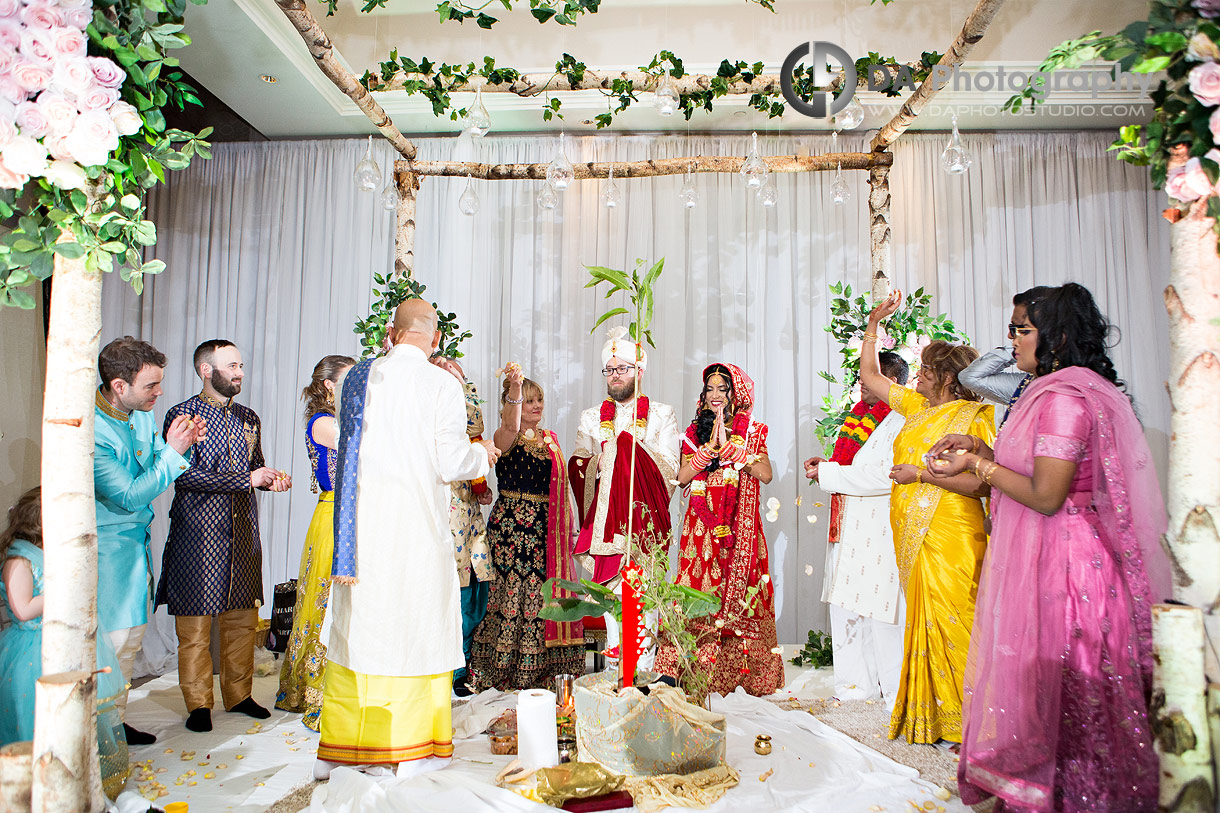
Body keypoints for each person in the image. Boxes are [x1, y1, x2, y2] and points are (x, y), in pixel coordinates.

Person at [928, 283, 1170, 810]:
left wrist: (978, 465)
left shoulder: (1063, 399)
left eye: (1021, 330)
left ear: (1056, 336)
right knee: (1042, 684)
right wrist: (979, 447)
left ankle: (1077, 795)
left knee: (1065, 684)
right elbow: (1031, 471)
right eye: (1011, 329)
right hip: (1051, 554)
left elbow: (1045, 493)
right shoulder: (1050, 388)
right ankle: (1045, 785)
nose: (1011, 340)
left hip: (1070, 566)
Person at [315, 299, 498, 780]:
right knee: (414, 627)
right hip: (416, 528)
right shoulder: (442, 384)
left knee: (366, 628)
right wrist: (484, 455)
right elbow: (452, 462)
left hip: (362, 532)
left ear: (392, 334)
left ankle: (346, 745)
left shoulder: (357, 379)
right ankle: (408, 746)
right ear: (435, 338)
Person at [858, 291, 994, 745]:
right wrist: (873, 326)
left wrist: (920, 475)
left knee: (958, 615)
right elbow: (871, 377)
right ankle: (935, 717)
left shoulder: (976, 415)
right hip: (912, 531)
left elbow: (981, 483)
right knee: (924, 617)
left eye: (927, 371)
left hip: (953, 529)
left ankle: (973, 720)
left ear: (948, 378)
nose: (918, 376)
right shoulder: (917, 409)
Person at [158, 339, 291, 733]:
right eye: (231, 366)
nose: (240, 373)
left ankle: (239, 695)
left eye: (241, 366)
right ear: (205, 370)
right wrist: (245, 480)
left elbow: (255, 468)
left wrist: (268, 479)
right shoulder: (182, 416)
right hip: (198, 535)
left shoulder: (248, 418)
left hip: (242, 533)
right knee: (195, 628)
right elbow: (182, 474)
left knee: (241, 621)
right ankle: (199, 704)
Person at [94, 336, 205, 745]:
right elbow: (128, 495)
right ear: (119, 386)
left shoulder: (137, 413)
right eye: (151, 386)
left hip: (137, 548)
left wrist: (184, 444)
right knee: (111, 644)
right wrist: (173, 452)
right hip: (106, 553)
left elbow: (162, 462)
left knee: (132, 640)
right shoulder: (93, 430)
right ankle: (98, 733)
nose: (159, 393)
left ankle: (114, 723)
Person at [654, 363, 783, 696]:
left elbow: (766, 474)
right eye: (709, 389)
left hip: (740, 528)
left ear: (735, 394)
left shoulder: (754, 431)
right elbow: (681, 478)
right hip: (700, 529)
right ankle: (681, 672)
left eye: (722, 389)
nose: (715, 396)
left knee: (741, 598)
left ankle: (747, 676)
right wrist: (706, 453)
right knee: (695, 593)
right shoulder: (692, 432)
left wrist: (732, 452)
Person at [0, 488, 130, 797]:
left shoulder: (47, 553)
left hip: (61, 640)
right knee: (34, 717)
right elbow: (22, 608)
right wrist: (65, 586)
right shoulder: (19, 559)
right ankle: (38, 785)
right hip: (32, 651)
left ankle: (78, 776)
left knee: (75, 715)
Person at [470, 368, 585, 691]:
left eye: (539, 400)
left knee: (540, 594)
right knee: (511, 593)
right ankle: (503, 668)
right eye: (528, 401)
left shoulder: (551, 439)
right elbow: (510, 423)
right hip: (511, 526)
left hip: (545, 528)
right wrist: (516, 388)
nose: (535, 406)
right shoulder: (505, 437)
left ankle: (545, 672)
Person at [807, 351, 909, 706]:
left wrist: (829, 474)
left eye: (871, 375)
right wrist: (828, 466)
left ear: (892, 383)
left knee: (882, 611)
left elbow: (886, 475)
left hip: (878, 527)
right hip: (849, 524)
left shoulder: (901, 421)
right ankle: (853, 689)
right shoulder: (859, 418)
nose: (862, 381)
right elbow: (852, 465)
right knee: (846, 605)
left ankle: (894, 693)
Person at [571, 327, 680, 657]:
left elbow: (671, 470)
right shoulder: (591, 419)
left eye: (622, 369)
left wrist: (628, 452)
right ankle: (614, 687)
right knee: (611, 613)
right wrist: (601, 463)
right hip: (604, 532)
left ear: (640, 371)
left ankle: (643, 684)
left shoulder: (661, 414)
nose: (615, 375)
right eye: (610, 369)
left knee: (643, 608)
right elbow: (577, 466)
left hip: (644, 529)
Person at [276, 354, 355, 730]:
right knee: (325, 600)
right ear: (329, 386)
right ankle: (315, 690)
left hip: (349, 515)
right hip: (333, 517)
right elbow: (359, 452)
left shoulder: (343, 419)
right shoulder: (324, 421)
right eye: (348, 380)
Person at [430, 355, 496, 697]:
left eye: (457, 368)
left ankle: (463, 664)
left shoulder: (456, 397)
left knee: (477, 593)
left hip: (469, 514)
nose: (452, 369)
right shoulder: (434, 399)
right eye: (444, 365)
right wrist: (460, 385)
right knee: (456, 592)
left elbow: (475, 432)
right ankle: (452, 670)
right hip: (446, 512)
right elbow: (471, 426)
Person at [958, 286, 1051, 424]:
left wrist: (1024, 345)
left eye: (1021, 330)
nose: (1010, 336)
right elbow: (969, 377)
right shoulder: (1026, 383)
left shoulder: (1067, 391)